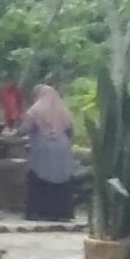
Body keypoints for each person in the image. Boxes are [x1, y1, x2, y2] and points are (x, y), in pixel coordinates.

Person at [20, 84, 76, 221]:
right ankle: (62, 214)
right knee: (62, 180)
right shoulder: (64, 111)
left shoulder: (35, 110)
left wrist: (11, 133)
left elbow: (24, 129)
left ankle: (39, 213)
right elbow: (70, 131)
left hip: (43, 148)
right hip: (62, 149)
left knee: (39, 177)